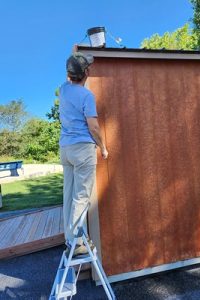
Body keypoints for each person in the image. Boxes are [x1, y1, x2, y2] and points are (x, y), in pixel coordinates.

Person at [59, 50, 108, 256]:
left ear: (69, 74)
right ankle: (77, 242)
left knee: (69, 194)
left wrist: (73, 57)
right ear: (86, 72)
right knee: (82, 196)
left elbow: (71, 76)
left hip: (66, 149)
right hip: (82, 149)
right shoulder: (87, 95)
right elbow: (93, 127)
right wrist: (103, 148)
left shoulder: (63, 90)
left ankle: (69, 238)